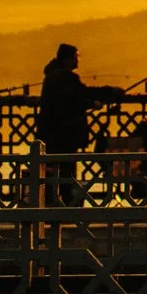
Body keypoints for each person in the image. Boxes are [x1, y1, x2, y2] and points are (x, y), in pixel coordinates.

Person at [38, 44, 121, 205]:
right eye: (77, 56)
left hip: (50, 133)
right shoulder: (66, 78)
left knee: (54, 172)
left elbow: (77, 95)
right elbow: (74, 100)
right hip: (63, 134)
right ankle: (65, 206)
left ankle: (56, 204)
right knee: (66, 172)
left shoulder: (53, 76)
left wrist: (101, 95)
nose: (78, 60)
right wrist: (95, 102)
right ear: (69, 59)